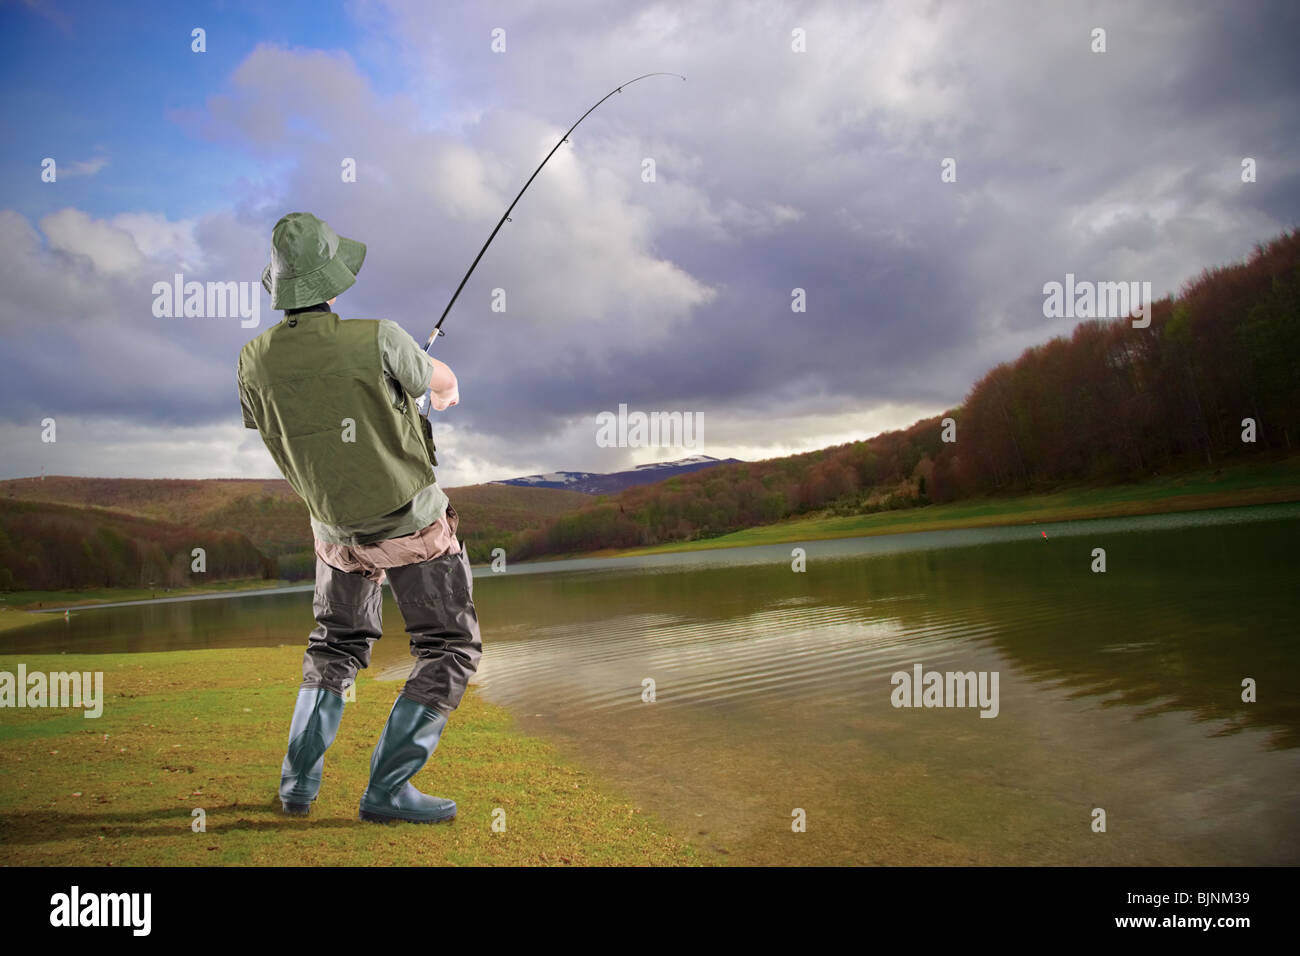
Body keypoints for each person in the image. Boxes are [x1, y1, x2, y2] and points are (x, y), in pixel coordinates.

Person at [237, 212, 482, 824]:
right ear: (333, 281)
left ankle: (298, 788)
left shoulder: (253, 360)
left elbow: (300, 419)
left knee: (334, 646)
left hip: (334, 537)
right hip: (414, 528)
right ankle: (387, 791)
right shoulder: (380, 336)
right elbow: (444, 382)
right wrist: (429, 390)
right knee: (449, 646)